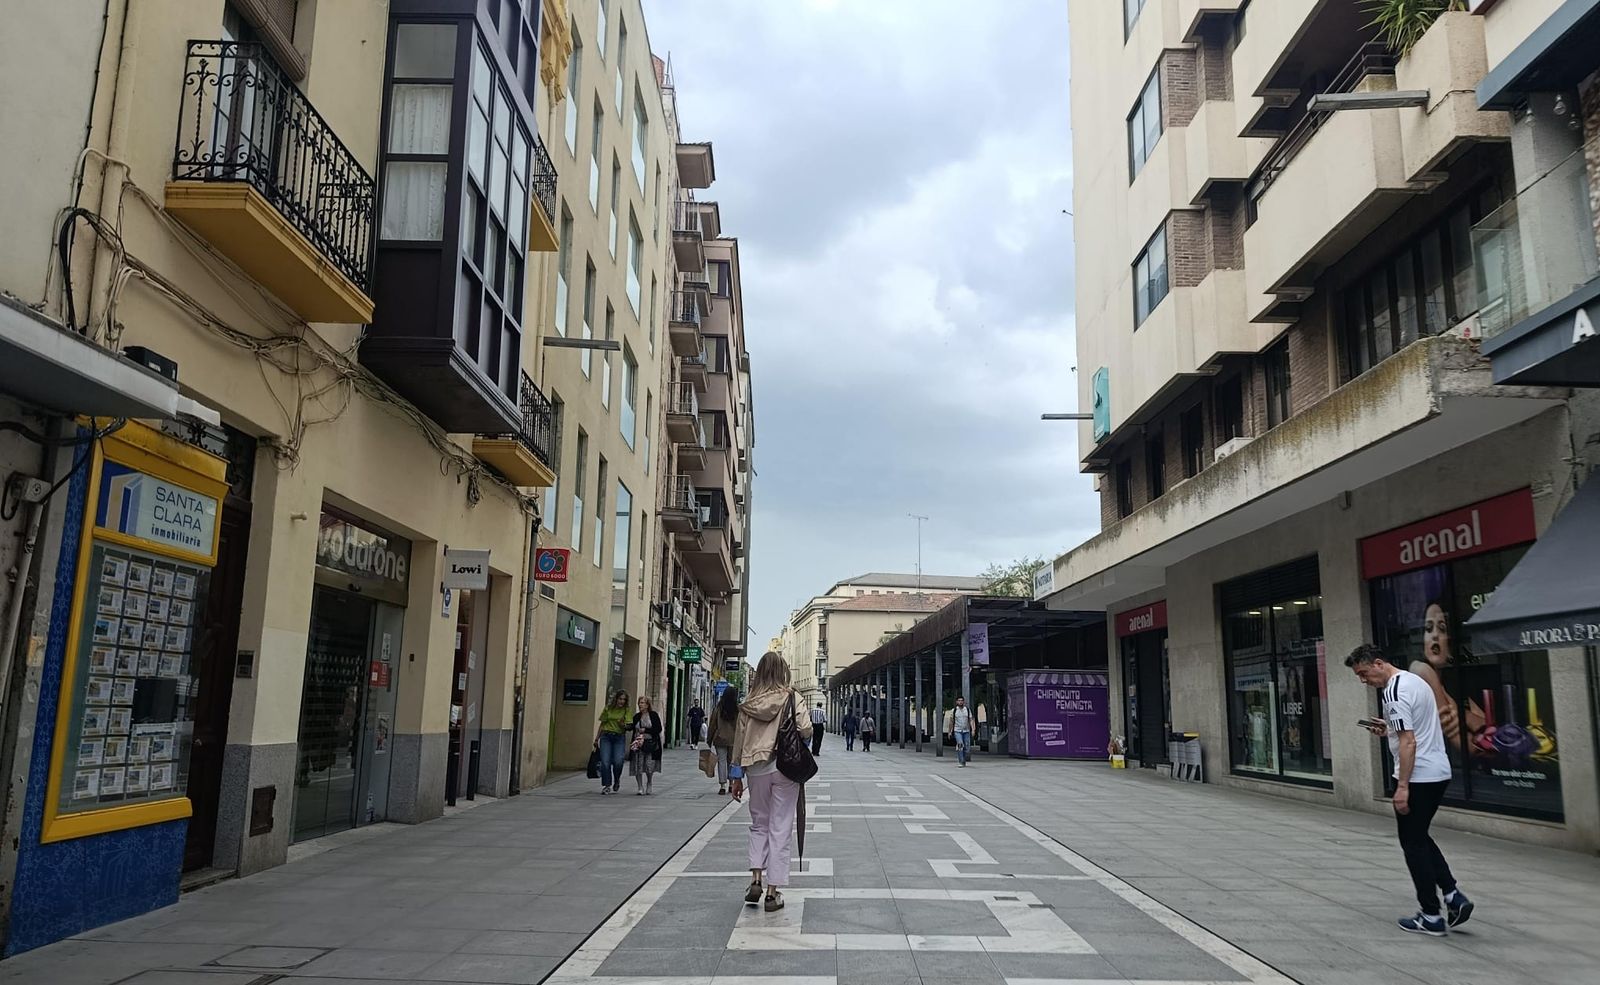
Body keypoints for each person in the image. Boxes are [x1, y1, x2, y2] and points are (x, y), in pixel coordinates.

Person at [1347, 644, 1474, 937]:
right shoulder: (1416, 682)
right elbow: (1412, 729)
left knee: (1412, 844)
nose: (1364, 681)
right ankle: (1453, 895)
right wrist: (1388, 728)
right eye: (1359, 677)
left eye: (1364, 674)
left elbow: (1409, 742)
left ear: (1379, 663)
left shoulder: (1393, 690)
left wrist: (1402, 786)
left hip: (1417, 776)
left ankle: (1430, 915)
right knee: (1419, 837)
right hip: (1438, 771)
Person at [728, 651, 811, 913]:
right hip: (785, 768)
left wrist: (736, 775)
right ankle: (772, 893)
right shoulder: (792, 696)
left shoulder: (749, 703)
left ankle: (755, 878)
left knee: (759, 824)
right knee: (780, 827)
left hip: (756, 769)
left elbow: (739, 742)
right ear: (783, 671)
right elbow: (806, 728)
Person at [1409, 600, 1487, 758]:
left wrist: (1461, 714)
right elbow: (1472, 747)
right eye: (1428, 629)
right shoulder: (1420, 670)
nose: (1435, 635)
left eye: (1442, 629)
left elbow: (1489, 733)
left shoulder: (1455, 681)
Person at [594, 691, 632, 795]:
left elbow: (629, 726)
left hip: (619, 737)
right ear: (616, 699)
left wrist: (623, 724)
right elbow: (602, 724)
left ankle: (617, 779)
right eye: (620, 699)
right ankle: (607, 785)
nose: (622, 701)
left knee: (618, 761)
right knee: (605, 762)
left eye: (624, 699)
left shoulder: (626, 710)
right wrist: (597, 739)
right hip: (606, 736)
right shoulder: (608, 708)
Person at [707, 687, 739, 795]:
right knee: (732, 762)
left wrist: (709, 739)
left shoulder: (718, 709)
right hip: (734, 740)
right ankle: (731, 784)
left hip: (720, 739)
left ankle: (722, 785)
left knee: (721, 761)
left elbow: (712, 725)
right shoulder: (737, 710)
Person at [630, 696, 664, 795]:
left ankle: (649, 782)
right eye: (639, 703)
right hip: (638, 744)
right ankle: (640, 787)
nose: (640, 704)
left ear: (647, 705)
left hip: (650, 743)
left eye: (643, 703)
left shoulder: (653, 715)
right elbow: (632, 727)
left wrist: (646, 730)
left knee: (649, 766)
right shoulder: (637, 716)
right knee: (638, 765)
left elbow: (658, 729)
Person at [951, 696, 974, 767]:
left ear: (963, 702)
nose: (960, 702)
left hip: (966, 730)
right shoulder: (954, 710)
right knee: (960, 744)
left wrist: (973, 729)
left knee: (966, 747)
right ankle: (961, 761)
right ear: (956, 702)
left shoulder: (967, 710)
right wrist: (950, 731)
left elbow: (971, 720)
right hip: (957, 730)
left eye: (961, 700)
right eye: (959, 700)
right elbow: (951, 721)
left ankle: (963, 760)